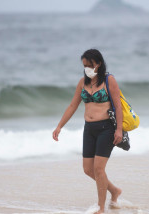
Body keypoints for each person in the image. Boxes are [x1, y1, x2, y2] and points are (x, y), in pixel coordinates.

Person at [52, 49, 124, 214]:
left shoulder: (109, 80)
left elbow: (118, 105)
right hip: (89, 129)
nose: (87, 68)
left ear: (98, 63)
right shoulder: (82, 82)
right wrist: (59, 126)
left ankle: (101, 208)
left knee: (99, 169)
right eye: (84, 65)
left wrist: (119, 129)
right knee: (87, 169)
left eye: (89, 65)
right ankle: (114, 190)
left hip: (106, 128)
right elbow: (72, 106)